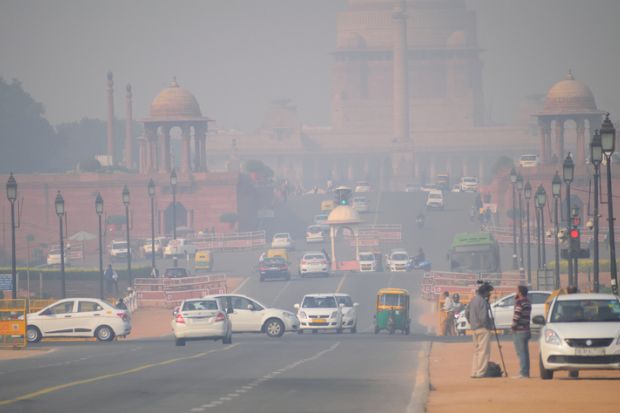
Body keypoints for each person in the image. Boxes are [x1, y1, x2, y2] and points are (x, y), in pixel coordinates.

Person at [465, 282, 494, 378]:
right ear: (485, 292)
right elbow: (483, 317)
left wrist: (471, 322)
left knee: (476, 352)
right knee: (483, 352)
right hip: (483, 329)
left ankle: (474, 372)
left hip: (474, 329)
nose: (489, 294)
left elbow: (466, 312)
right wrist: (487, 326)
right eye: (488, 292)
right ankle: (481, 372)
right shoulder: (482, 301)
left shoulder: (473, 300)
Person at [511, 285, 532, 378]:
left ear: (520, 292)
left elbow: (517, 315)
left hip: (520, 330)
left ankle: (523, 373)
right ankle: (526, 372)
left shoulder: (519, 302)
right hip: (527, 329)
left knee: (521, 353)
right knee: (525, 352)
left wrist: (513, 325)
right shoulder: (527, 302)